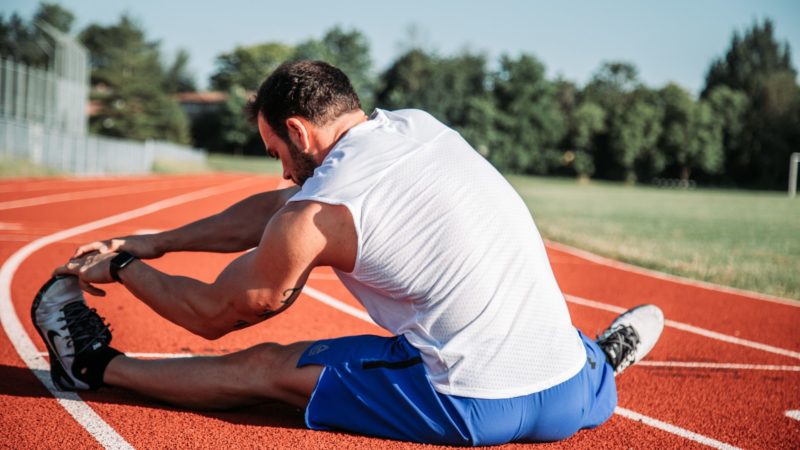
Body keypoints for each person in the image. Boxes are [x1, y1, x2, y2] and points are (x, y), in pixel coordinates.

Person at [33, 60, 664, 446]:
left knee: (265, 368)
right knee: (527, 315)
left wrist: (125, 266)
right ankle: (602, 361)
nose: (282, 171)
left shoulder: (317, 212)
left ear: (298, 131)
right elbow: (283, 206)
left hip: (469, 403)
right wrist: (157, 241)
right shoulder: (417, 127)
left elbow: (215, 313)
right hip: (569, 395)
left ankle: (94, 368)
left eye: (277, 152)